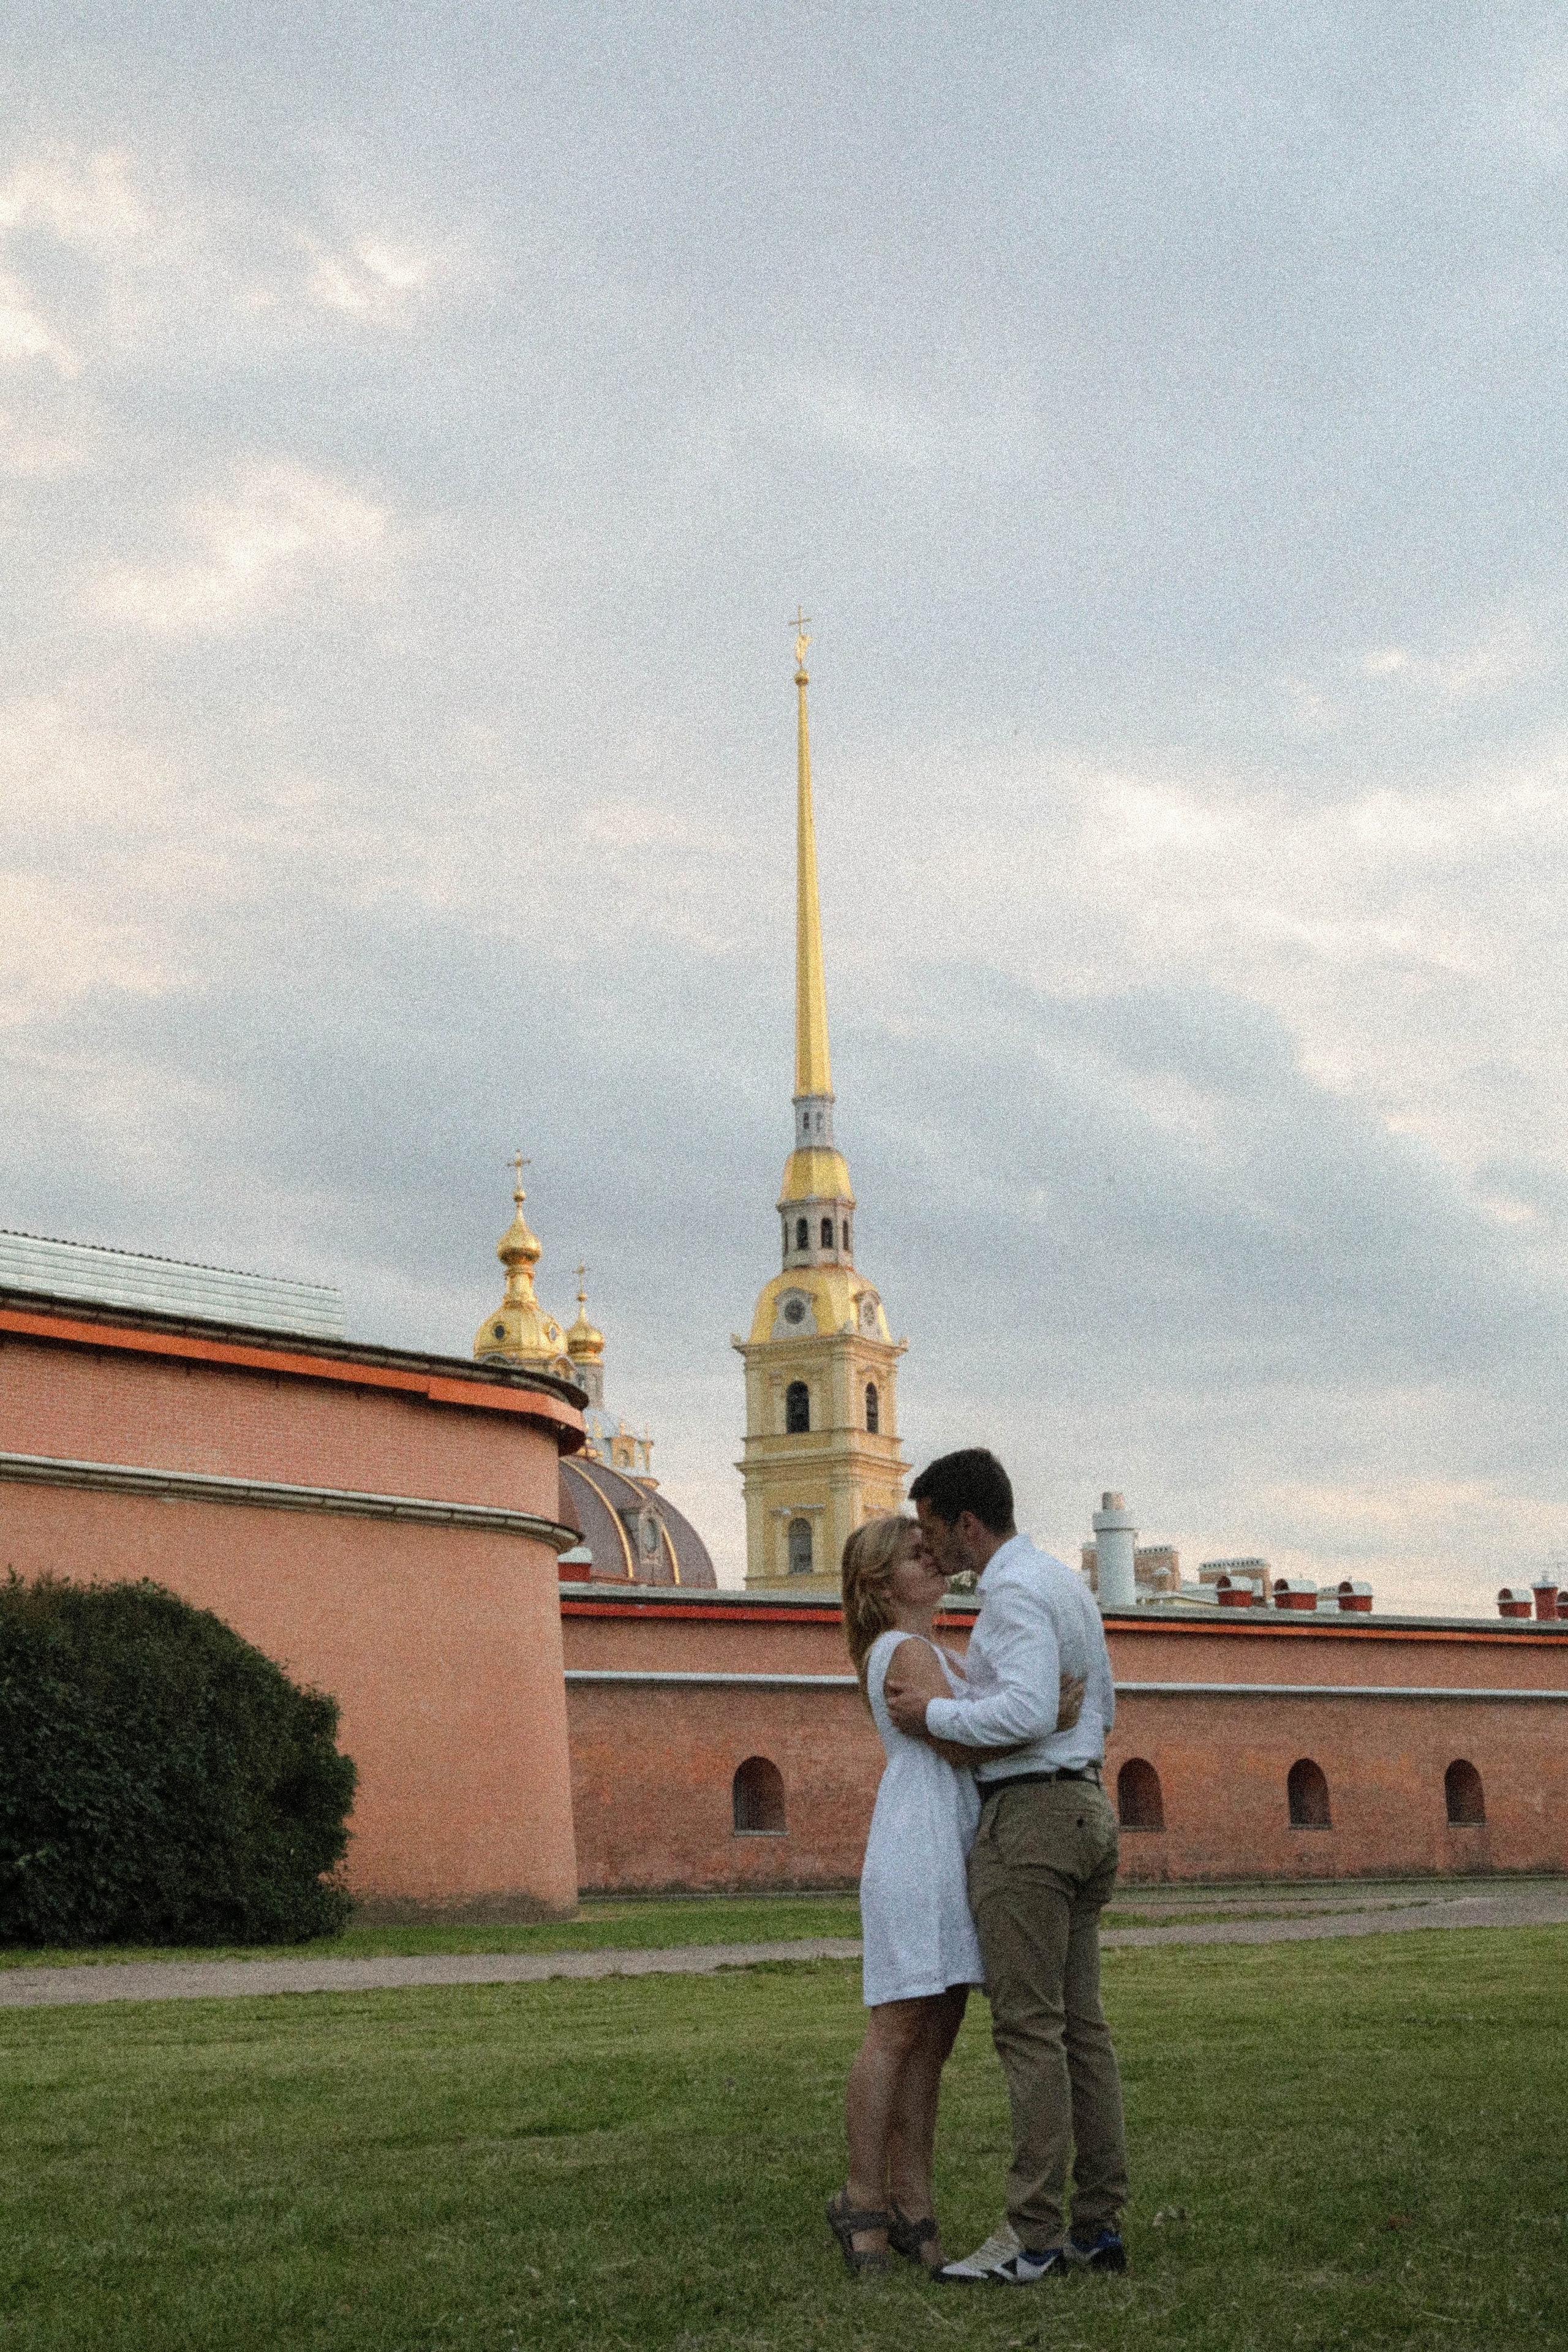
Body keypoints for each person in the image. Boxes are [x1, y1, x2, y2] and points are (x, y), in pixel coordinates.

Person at [884, 1447, 1129, 2284]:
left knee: (1030, 2032)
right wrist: (1055, 1731)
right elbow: (1097, 1707)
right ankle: (1098, 2228)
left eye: (931, 1530)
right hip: (1088, 1806)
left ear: (967, 1523)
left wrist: (935, 1713)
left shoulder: (1012, 1592)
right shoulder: (1065, 1584)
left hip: (1031, 1822)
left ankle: (1031, 2237)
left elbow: (1027, 1707)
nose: (929, 1548)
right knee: (1082, 2031)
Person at [826, 1513, 984, 2279]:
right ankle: (862, 2200)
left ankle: (913, 2201)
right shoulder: (902, 1650)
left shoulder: (941, 1653)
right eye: (918, 1555)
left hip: (951, 1844)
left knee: (936, 2037)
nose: (936, 1561)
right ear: (880, 1582)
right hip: (919, 1846)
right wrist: (1044, 1713)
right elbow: (959, 1741)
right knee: (896, 2030)